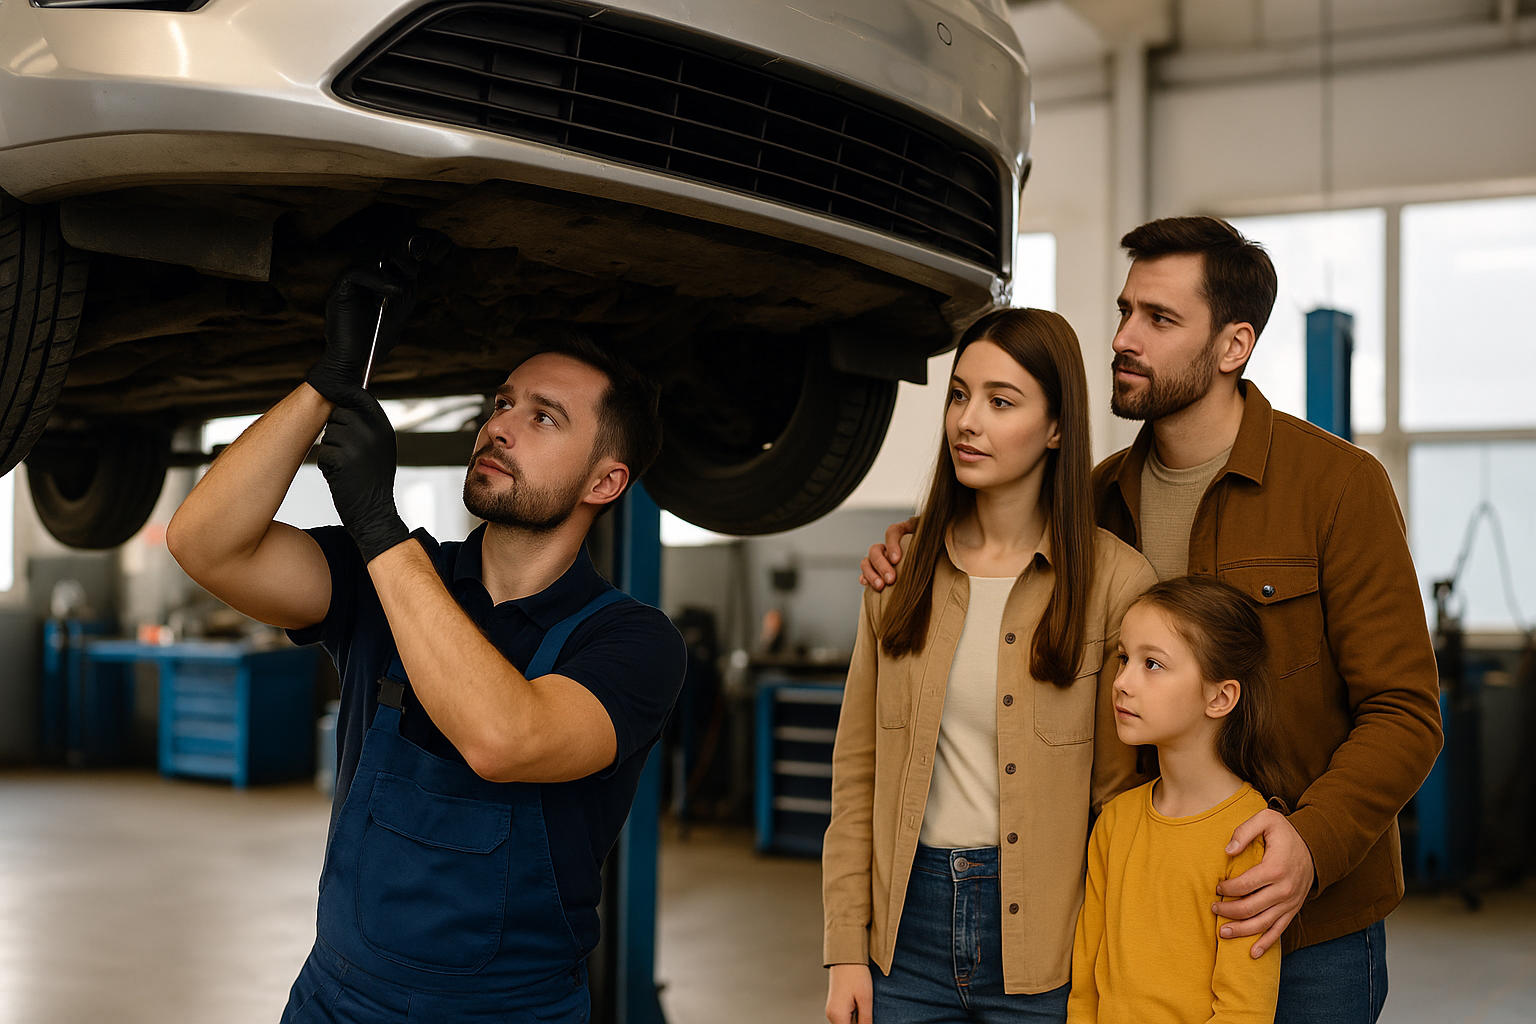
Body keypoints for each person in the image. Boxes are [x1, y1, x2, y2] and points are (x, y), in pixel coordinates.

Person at [858, 216, 1442, 1022]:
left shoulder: (1337, 488)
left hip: (1305, 924)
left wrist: (1309, 845)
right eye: (1125, 312)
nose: (1126, 338)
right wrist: (916, 549)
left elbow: (1405, 713)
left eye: (1159, 320)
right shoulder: (1089, 503)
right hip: (1143, 924)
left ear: (1234, 346)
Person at [166, 264, 686, 1024]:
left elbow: (506, 737)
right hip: (332, 1001)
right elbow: (204, 543)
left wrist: (378, 521)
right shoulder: (399, 576)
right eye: (501, 403)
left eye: (543, 418)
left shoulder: (632, 643)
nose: (499, 424)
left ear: (605, 483)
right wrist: (327, 384)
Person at [822, 308, 1157, 1024]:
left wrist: (1108, 962)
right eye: (958, 394)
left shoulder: (1115, 584)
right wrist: (846, 948)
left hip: (1048, 940)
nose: (967, 421)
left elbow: (1117, 800)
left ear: (1058, 427)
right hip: (903, 939)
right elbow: (856, 775)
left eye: (1001, 402)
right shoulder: (901, 573)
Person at [1069, 575, 1290, 1023]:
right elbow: (1085, 992)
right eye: (1123, 659)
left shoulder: (1251, 835)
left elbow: (1244, 1010)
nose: (1122, 682)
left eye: (1152, 664)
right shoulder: (1114, 822)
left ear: (1220, 697)